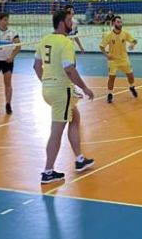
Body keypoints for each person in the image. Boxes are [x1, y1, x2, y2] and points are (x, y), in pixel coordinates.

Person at [34, 9, 96, 183]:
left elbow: (36, 66)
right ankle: (48, 171)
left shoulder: (45, 40)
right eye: (69, 20)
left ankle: (79, 159)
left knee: (75, 118)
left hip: (48, 89)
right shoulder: (65, 42)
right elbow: (69, 69)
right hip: (61, 90)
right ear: (62, 22)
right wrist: (84, 88)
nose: (72, 23)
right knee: (56, 131)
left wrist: (46, 82)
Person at [100, 15, 138, 103]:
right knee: (111, 78)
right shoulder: (109, 35)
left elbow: (134, 40)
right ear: (113, 23)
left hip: (124, 58)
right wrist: (106, 55)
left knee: (131, 76)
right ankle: (110, 94)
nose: (120, 24)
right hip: (113, 60)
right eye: (118, 22)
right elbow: (101, 46)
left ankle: (132, 87)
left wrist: (132, 44)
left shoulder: (125, 33)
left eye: (121, 22)